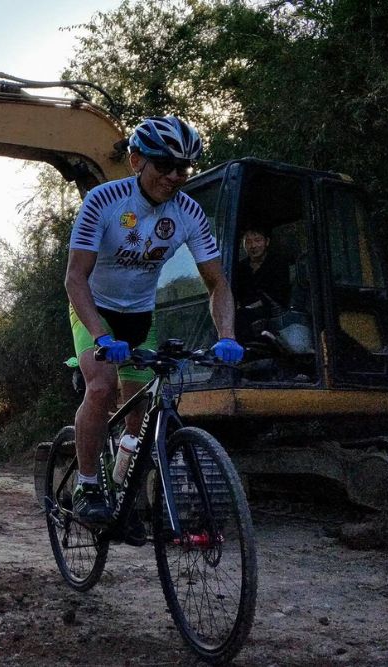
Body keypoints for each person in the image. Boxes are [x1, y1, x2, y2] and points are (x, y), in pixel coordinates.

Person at [65, 115, 242, 526]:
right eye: (164, 165)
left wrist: (227, 334)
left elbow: (217, 283)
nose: (175, 176)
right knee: (103, 386)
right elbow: (75, 278)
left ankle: (122, 489)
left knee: (139, 414)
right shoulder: (103, 202)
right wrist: (100, 336)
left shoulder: (190, 214)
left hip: (141, 314)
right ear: (135, 161)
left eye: (184, 168)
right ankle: (88, 484)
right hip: (94, 307)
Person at [234, 228, 291, 342]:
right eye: (248, 242)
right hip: (245, 312)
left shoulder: (278, 263)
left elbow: (278, 293)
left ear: (267, 242)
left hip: (273, 311)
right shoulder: (240, 268)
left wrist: (250, 308)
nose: (253, 245)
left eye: (257, 240)